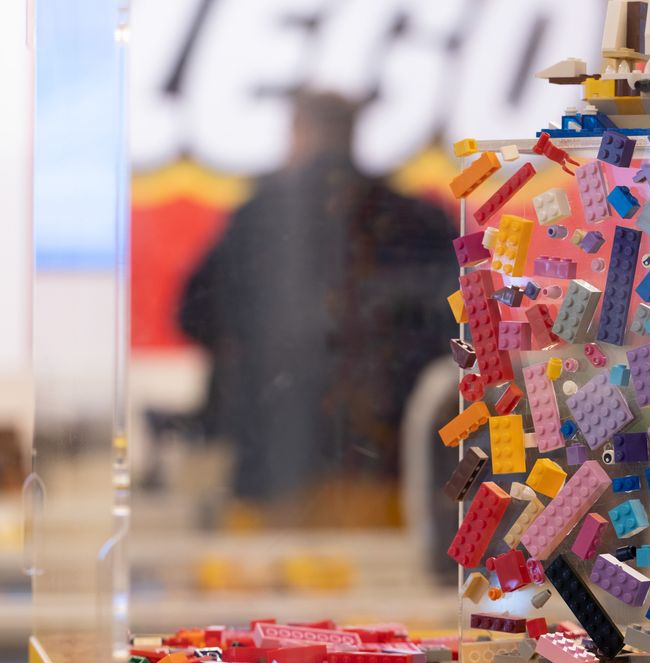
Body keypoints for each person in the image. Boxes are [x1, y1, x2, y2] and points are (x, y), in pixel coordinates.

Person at [178, 91, 457, 526]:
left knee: (280, 567)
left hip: (274, 469)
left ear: (299, 132)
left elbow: (193, 315)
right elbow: (459, 329)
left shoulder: (257, 220)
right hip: (387, 470)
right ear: (352, 133)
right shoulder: (417, 220)